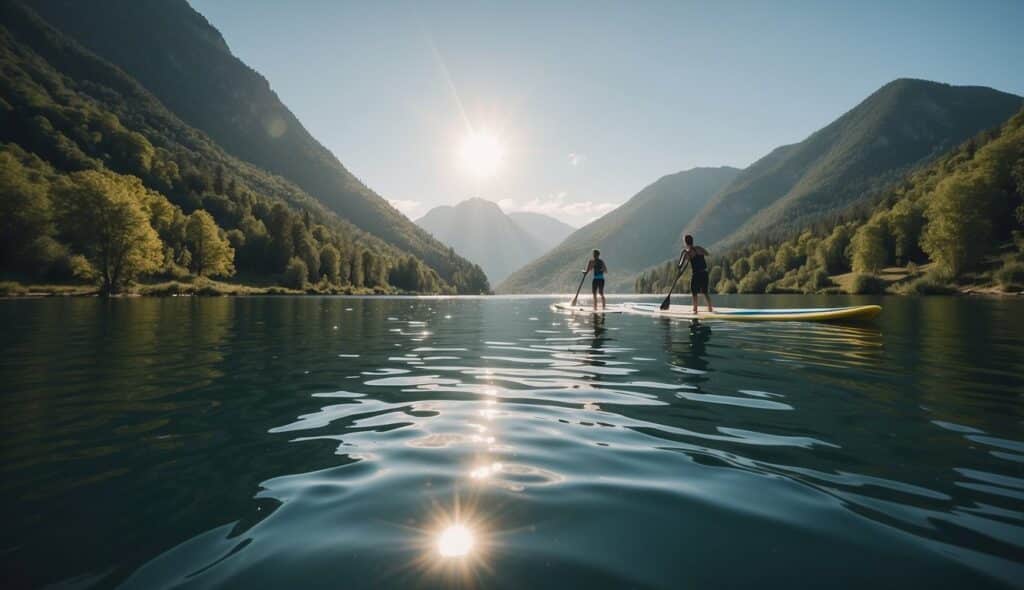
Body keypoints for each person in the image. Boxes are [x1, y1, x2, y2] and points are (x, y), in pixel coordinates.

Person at [678, 235, 713, 314]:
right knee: (705, 291)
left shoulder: (687, 252)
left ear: (685, 243)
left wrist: (683, 253)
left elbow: (680, 265)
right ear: (692, 241)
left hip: (696, 274)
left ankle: (695, 309)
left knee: (694, 292)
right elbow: (707, 254)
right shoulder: (699, 248)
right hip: (704, 273)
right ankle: (710, 308)